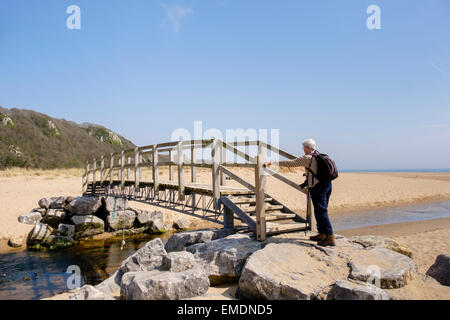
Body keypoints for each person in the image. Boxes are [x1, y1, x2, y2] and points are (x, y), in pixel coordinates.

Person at [266, 139, 335, 247]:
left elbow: (291, 163)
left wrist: (274, 162)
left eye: (303, 147)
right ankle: (322, 233)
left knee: (321, 211)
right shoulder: (318, 155)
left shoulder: (307, 158)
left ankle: (330, 237)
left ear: (306, 148)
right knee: (320, 210)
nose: (303, 149)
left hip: (317, 186)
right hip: (327, 185)